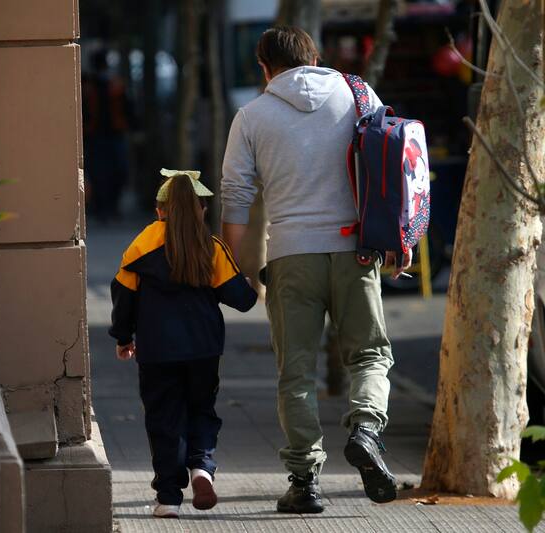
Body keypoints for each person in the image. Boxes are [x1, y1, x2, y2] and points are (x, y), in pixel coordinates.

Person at [220, 26, 411, 514]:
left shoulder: (251, 116)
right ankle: (366, 429)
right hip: (356, 251)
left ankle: (305, 482)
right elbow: (392, 162)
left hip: (289, 255)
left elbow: (236, 196)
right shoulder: (357, 95)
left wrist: (236, 267)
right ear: (315, 57)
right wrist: (401, 238)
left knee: (296, 372)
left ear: (264, 66)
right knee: (369, 356)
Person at [109, 169, 257, 519]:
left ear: (160, 210)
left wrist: (123, 337)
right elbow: (242, 299)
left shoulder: (142, 244)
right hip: (204, 349)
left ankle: (169, 498)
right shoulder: (211, 245)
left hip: (157, 350)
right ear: (201, 210)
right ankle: (202, 469)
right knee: (201, 409)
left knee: (163, 419)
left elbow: (123, 295)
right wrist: (249, 282)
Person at [82, 49, 132, 223]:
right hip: (102, 136)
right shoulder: (109, 85)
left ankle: (107, 208)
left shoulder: (106, 85)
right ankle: (106, 208)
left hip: (103, 136)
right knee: (106, 173)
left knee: (105, 173)